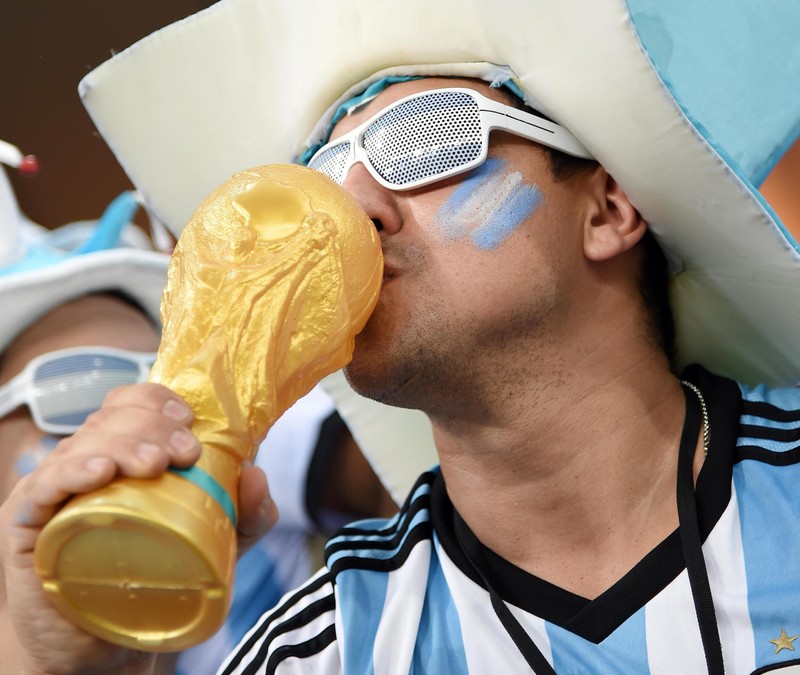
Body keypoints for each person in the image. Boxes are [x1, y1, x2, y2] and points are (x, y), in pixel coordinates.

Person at [3, 1, 800, 674]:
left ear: (608, 210)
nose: (352, 214)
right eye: (324, 180)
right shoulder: (320, 651)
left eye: (424, 140)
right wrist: (53, 661)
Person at [0, 152, 394, 674]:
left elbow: (406, 476)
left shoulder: (218, 448)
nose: (136, 410)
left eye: (153, 370)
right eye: (83, 382)